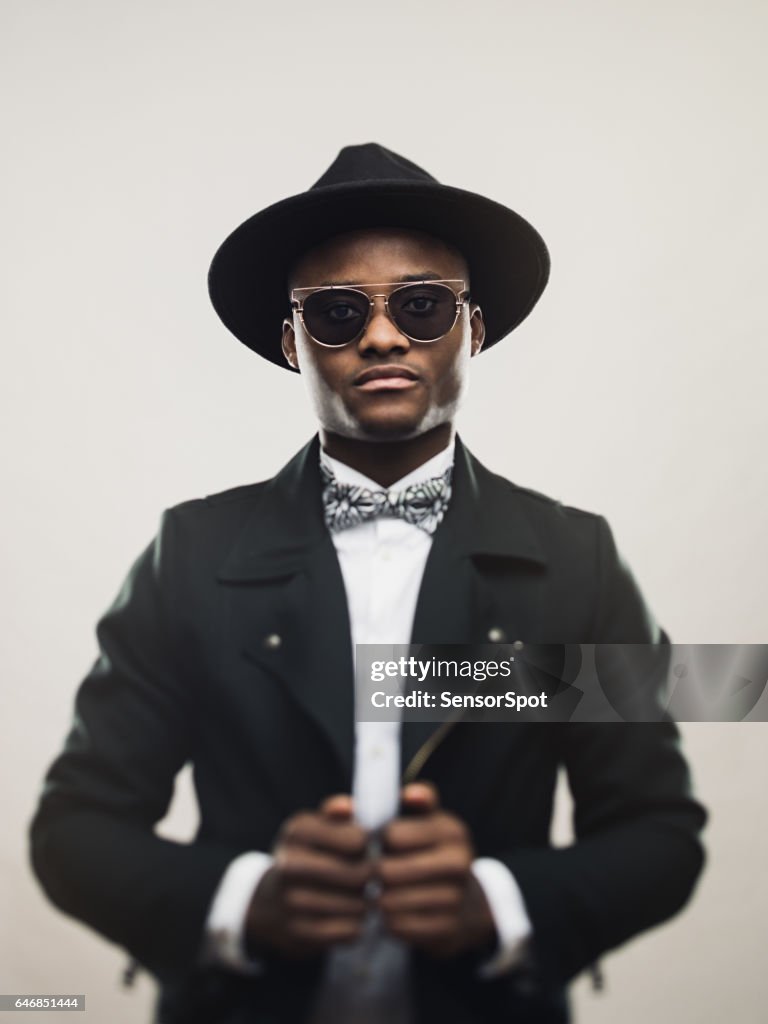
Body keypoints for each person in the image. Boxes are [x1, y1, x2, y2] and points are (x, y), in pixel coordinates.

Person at [29, 143, 707, 1024]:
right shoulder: (190, 553)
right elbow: (75, 829)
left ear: (475, 327)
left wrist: (500, 903)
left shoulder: (574, 558)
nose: (383, 336)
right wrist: (244, 899)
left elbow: (659, 833)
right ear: (292, 342)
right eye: (338, 313)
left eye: (422, 306)